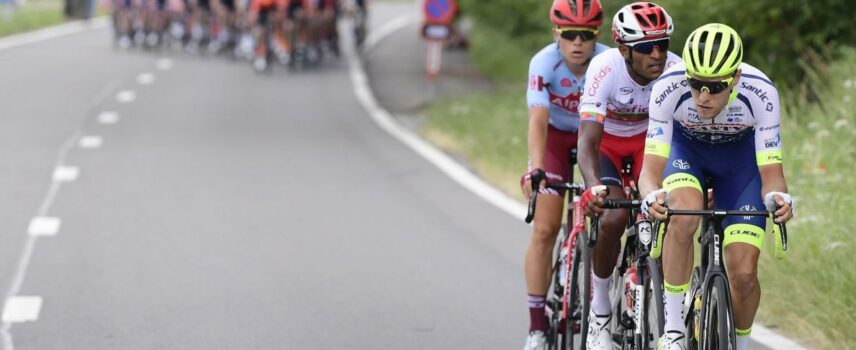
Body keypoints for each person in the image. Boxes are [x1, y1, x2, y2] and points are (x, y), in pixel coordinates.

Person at [638, 23, 794, 350]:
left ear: (735, 78)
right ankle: (676, 330)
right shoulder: (667, 88)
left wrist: (778, 199)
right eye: (695, 84)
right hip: (685, 154)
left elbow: (771, 174)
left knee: (743, 274)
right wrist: (651, 195)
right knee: (682, 215)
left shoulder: (761, 93)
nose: (703, 96)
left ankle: (741, 343)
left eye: (715, 86)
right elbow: (650, 169)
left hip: (739, 166)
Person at [576, 2, 680, 349]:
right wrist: (593, 189)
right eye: (645, 48)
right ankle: (601, 312)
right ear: (623, 50)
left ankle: (671, 313)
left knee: (670, 212)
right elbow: (587, 142)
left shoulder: (676, 70)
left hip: (649, 147)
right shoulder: (604, 70)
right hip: (607, 146)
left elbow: (686, 137)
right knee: (614, 217)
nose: (657, 54)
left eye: (662, 44)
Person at [520, 1, 608, 349]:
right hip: (556, 138)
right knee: (544, 230)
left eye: (585, 35)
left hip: (594, 137)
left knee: (607, 220)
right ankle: (537, 327)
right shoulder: (544, 63)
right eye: (569, 34)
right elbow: (538, 120)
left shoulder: (606, 62)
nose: (577, 42)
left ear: (596, 36)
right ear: (556, 34)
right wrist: (536, 169)